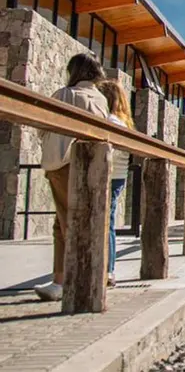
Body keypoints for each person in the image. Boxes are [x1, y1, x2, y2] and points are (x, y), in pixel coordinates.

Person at [35, 53, 109, 301]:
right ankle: (70, 278)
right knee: (75, 221)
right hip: (92, 167)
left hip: (63, 163)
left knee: (66, 223)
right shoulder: (100, 100)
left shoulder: (65, 94)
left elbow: (43, 126)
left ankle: (68, 280)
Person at [96, 79, 134, 288]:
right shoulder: (123, 121)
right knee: (107, 220)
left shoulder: (108, 120)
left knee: (103, 221)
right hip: (118, 175)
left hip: (106, 174)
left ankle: (106, 269)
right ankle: (108, 269)